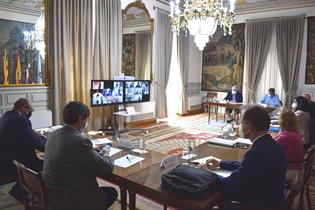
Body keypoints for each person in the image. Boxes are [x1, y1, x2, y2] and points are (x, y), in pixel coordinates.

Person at [204, 105, 286, 209]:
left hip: (259, 204)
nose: (240, 127)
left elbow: (231, 184)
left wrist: (207, 175)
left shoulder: (257, 152)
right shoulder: (271, 144)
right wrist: (221, 163)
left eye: (241, 123)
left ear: (248, 127)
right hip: (272, 199)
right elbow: (246, 166)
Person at [43, 101, 117, 210]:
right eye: (87, 119)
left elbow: (72, 155)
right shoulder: (79, 141)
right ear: (80, 119)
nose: (87, 123)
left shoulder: (53, 134)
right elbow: (107, 167)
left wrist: (91, 151)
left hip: (53, 194)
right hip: (75, 198)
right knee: (112, 192)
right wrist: (106, 154)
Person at [0, 98, 47, 202]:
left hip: (6, 156)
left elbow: (22, 136)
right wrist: (47, 140)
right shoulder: (21, 120)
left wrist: (32, 134)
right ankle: (35, 192)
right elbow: (37, 144)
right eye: (29, 110)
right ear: (24, 108)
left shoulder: (6, 115)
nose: (29, 113)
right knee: (46, 162)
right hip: (15, 159)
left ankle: (18, 189)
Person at [275, 110, 304, 181]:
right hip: (298, 169)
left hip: (291, 171)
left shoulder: (285, 137)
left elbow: (270, 147)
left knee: (260, 169)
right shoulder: (296, 132)